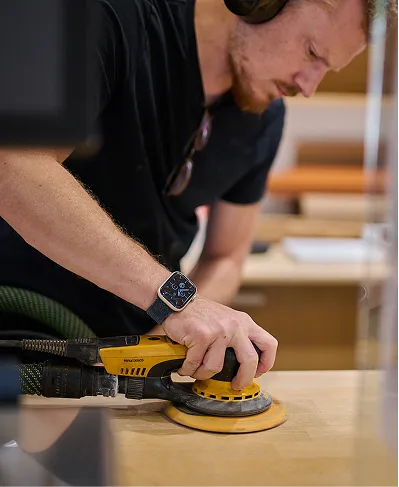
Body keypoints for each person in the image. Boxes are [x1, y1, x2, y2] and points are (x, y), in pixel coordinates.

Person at [0, 0, 371, 390]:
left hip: (125, 365)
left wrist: (167, 338)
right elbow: (15, 164)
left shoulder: (264, 117)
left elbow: (226, 255)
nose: (308, 87)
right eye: (312, 52)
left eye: (327, 69)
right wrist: (178, 301)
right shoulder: (115, 19)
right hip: (21, 337)